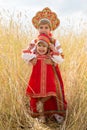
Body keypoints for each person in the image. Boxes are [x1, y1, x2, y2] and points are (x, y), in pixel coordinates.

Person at [22, 33, 67, 123]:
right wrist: (29, 48)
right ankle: (41, 116)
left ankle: (52, 111)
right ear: (36, 46)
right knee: (37, 96)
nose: (41, 48)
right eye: (39, 46)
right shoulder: (34, 57)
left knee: (51, 94)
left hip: (49, 80)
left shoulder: (50, 57)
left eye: (44, 46)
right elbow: (24, 56)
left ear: (48, 48)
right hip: (37, 80)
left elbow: (60, 59)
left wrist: (53, 49)